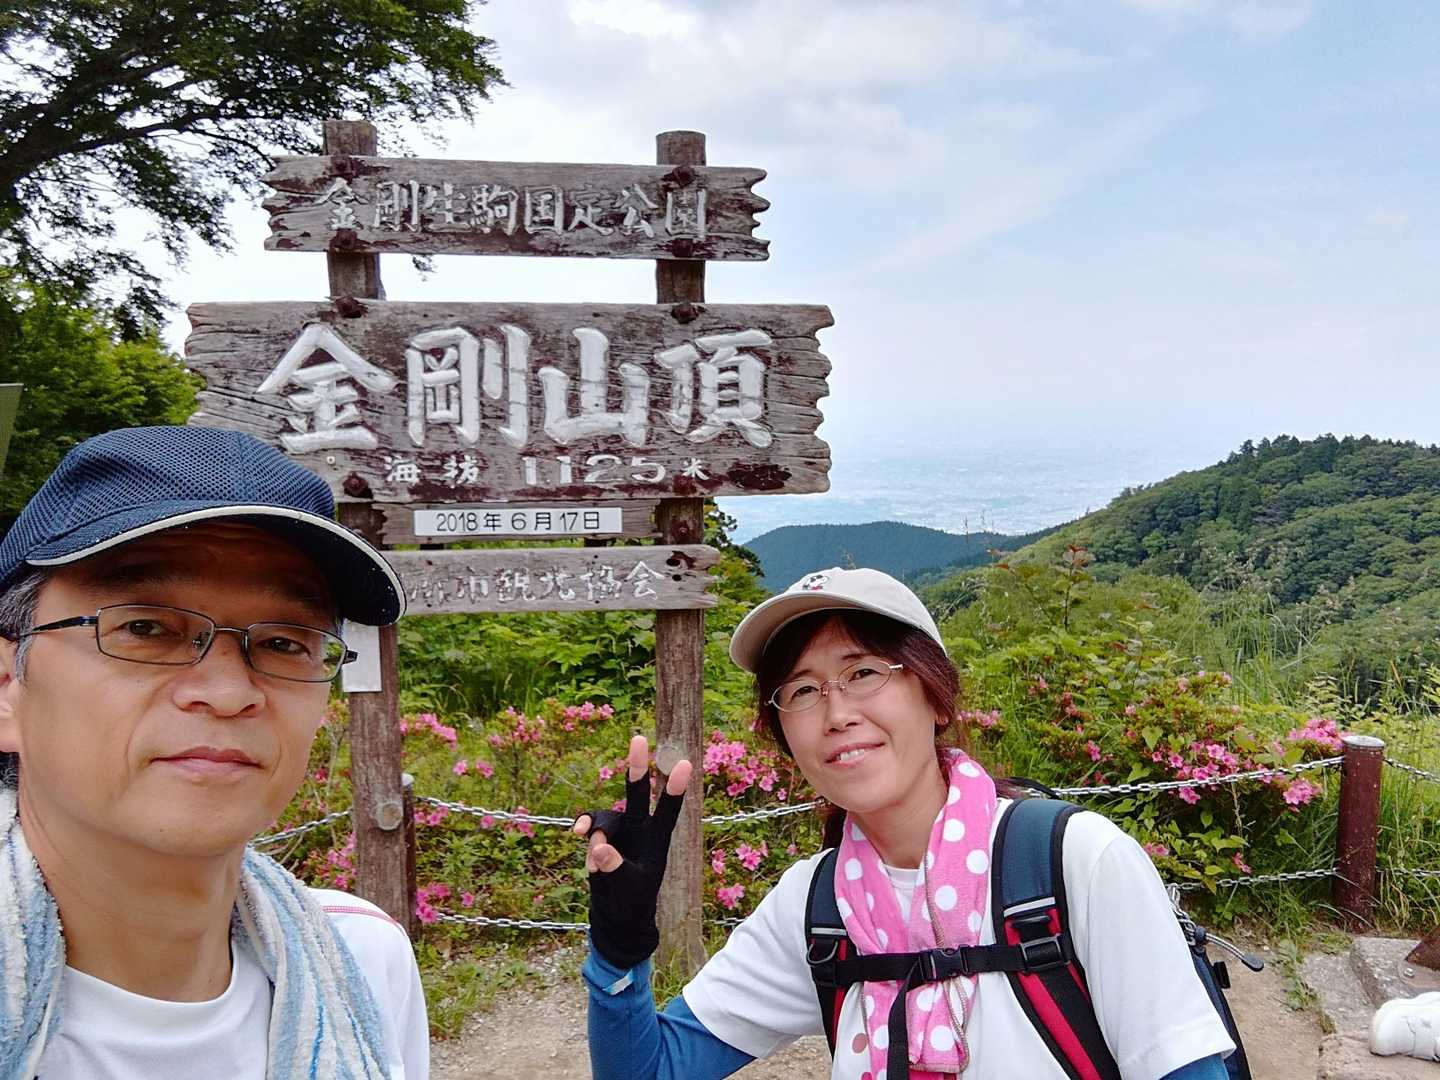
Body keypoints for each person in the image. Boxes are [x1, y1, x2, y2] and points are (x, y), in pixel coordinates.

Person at [576, 567, 1238, 1079]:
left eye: (863, 672)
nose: (837, 713)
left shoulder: (1075, 864)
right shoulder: (815, 908)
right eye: (802, 691)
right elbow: (650, 1070)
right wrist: (618, 953)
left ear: (936, 695)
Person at [0, 426, 428, 1079]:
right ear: (8, 686)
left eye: (284, 642)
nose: (229, 694)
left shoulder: (367, 961)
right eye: (145, 628)